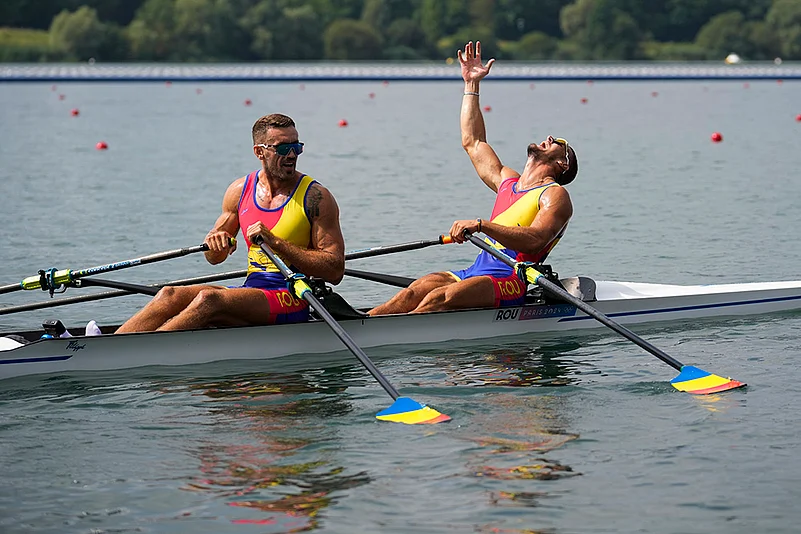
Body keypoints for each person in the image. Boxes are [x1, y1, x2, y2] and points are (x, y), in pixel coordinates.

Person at [368, 41, 578, 316]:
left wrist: (481, 226)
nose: (549, 138)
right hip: (475, 271)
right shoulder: (507, 181)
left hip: (510, 279)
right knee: (414, 291)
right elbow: (473, 141)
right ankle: (366, 323)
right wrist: (471, 84)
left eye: (559, 143)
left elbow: (536, 240)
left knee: (440, 297)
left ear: (562, 164)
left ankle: (399, 334)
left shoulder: (554, 195)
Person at [115, 113, 345, 333]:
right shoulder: (239, 191)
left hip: (293, 295)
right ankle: (111, 345)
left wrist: (275, 242)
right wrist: (215, 241)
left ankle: (143, 351)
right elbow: (214, 258)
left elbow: (335, 270)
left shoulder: (316, 197)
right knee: (169, 295)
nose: (292, 154)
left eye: (297, 147)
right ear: (259, 151)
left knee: (209, 299)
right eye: (283, 148)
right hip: (253, 291)